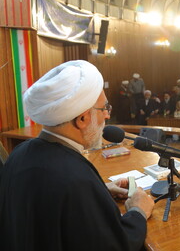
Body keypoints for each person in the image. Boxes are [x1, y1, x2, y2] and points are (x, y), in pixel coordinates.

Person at [0, 60, 154, 250]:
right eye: (104, 108)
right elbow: (115, 244)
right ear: (82, 119)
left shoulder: (20, 153)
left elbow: (49, 205)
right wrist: (139, 211)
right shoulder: (75, 180)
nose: (107, 115)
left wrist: (100, 192)